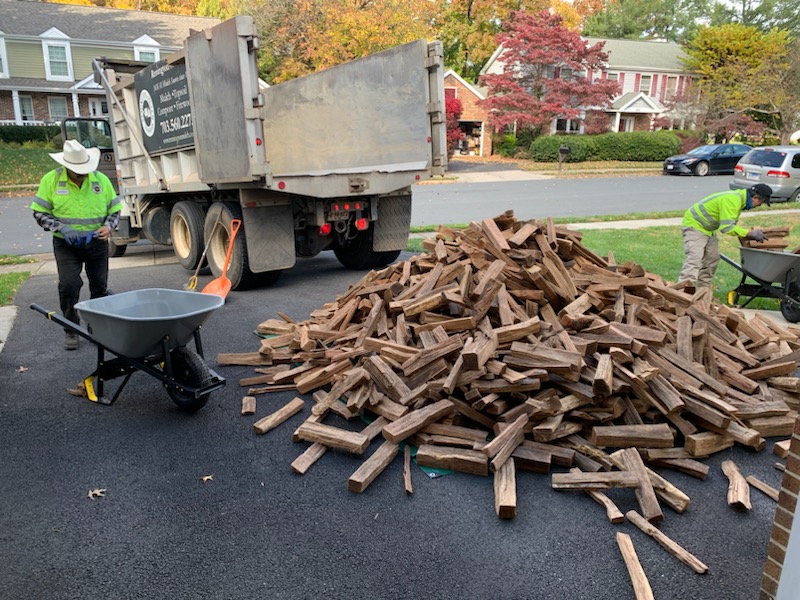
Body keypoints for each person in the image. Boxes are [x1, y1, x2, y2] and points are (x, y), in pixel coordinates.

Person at [31, 139, 122, 350]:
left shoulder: (100, 180)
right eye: (77, 171)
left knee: (99, 287)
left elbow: (115, 210)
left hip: (97, 244)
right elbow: (39, 212)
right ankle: (71, 329)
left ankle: (96, 327)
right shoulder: (51, 180)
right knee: (69, 285)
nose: (82, 175)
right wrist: (61, 227)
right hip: (66, 245)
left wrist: (108, 227)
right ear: (67, 166)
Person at [678, 183, 772, 289]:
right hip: (694, 225)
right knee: (695, 259)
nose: (759, 206)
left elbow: (731, 226)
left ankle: (702, 294)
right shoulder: (733, 200)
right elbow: (726, 228)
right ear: (755, 198)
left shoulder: (740, 201)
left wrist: (747, 235)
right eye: (761, 202)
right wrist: (751, 233)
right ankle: (681, 294)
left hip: (708, 229)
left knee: (712, 260)